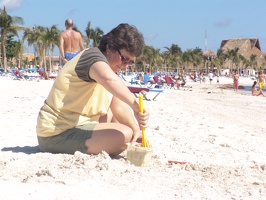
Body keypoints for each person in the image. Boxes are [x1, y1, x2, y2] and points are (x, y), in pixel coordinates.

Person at [36, 23, 149, 157]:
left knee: (118, 121)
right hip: (56, 133)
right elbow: (108, 79)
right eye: (124, 59)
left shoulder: (108, 68)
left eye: (129, 62)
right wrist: (136, 106)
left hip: (78, 125)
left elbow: (118, 106)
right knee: (124, 134)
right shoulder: (92, 58)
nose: (125, 65)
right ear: (109, 47)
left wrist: (136, 128)